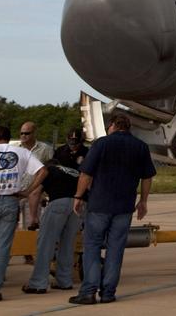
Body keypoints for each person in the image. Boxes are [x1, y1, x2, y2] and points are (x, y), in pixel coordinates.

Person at [68, 114, 156, 306]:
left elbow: (86, 173)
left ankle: (88, 292)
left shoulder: (102, 143)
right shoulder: (140, 146)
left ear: (113, 126)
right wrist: (143, 201)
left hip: (100, 205)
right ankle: (108, 292)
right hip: (124, 206)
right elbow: (147, 176)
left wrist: (78, 196)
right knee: (116, 249)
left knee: (92, 246)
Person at [0, 125, 46, 304]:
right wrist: (28, 191)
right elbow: (43, 171)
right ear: (9, 138)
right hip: (11, 201)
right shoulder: (21, 152)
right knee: (2, 249)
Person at [23, 129, 89, 295]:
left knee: (46, 243)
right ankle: (64, 280)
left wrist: (34, 218)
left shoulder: (48, 170)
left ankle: (38, 283)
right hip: (79, 205)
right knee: (67, 244)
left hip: (59, 203)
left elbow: (35, 194)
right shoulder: (73, 171)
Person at [16, 122, 53, 233]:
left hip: (35, 194)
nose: (23, 136)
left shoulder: (45, 149)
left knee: (31, 228)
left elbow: (51, 170)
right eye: (21, 133)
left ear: (34, 133)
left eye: (27, 133)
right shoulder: (15, 149)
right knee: (15, 228)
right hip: (17, 192)